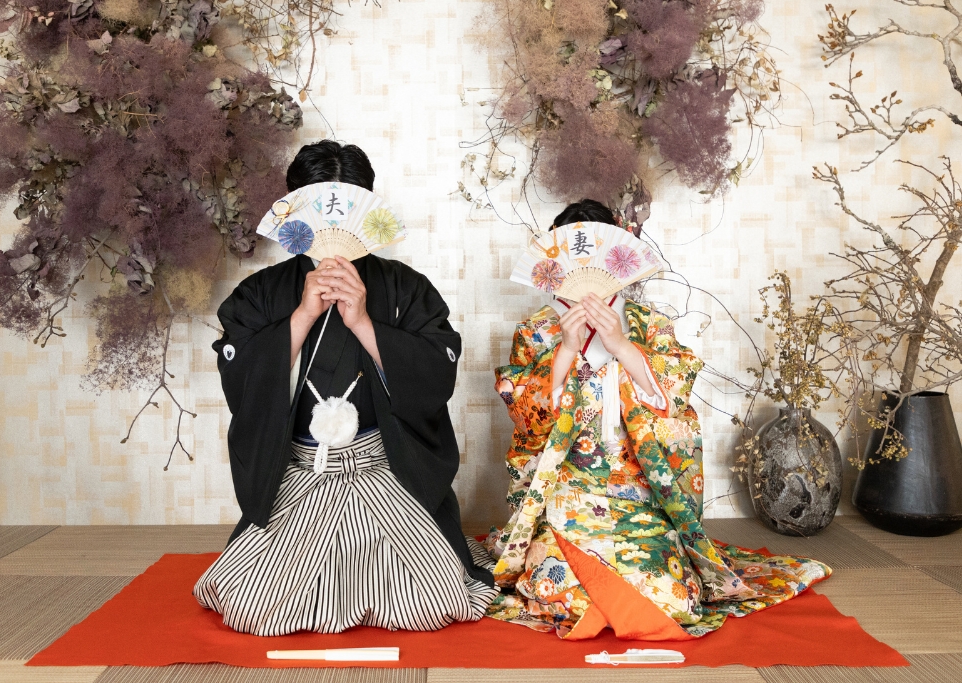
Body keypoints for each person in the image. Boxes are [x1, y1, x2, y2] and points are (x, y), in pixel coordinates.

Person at [484, 199, 831, 639]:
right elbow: (527, 419)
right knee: (558, 589)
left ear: (617, 259)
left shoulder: (648, 325)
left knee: (672, 598)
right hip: (565, 492)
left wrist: (622, 346)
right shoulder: (536, 331)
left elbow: (675, 405)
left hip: (640, 489)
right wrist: (567, 349)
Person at [194, 140, 497, 636]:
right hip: (301, 474)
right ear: (293, 209)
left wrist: (363, 323)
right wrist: (302, 315)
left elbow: (437, 372)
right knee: (253, 608)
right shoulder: (262, 292)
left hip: (386, 471)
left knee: (430, 603)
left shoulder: (405, 288)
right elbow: (240, 376)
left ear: (366, 209)